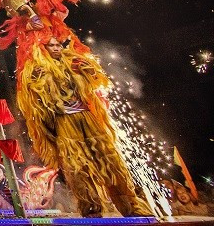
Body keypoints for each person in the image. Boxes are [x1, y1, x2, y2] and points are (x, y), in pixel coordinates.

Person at [18, 37, 152, 218]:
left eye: (58, 44)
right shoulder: (36, 69)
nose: (56, 48)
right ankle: (91, 209)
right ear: (43, 48)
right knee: (77, 168)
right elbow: (34, 98)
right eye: (51, 45)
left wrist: (85, 70)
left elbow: (97, 81)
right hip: (65, 122)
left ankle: (131, 205)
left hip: (87, 118)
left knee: (111, 162)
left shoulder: (74, 62)